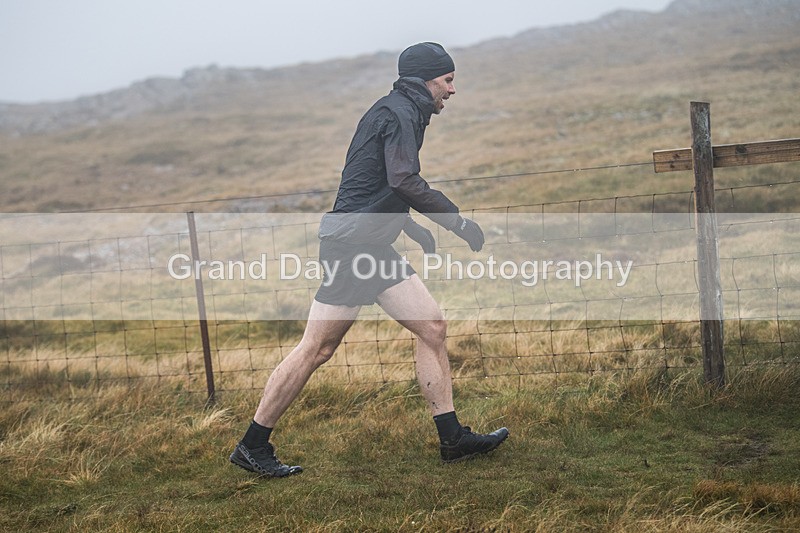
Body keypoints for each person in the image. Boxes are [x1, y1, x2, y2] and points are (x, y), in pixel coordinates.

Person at [230, 42, 508, 477]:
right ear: (426, 80)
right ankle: (252, 445)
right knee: (317, 348)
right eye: (448, 80)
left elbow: (374, 183)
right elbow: (402, 178)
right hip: (350, 247)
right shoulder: (398, 113)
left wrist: (411, 228)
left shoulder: (401, 110)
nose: (453, 90)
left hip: (370, 246)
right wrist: (455, 222)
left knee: (431, 326)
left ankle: (452, 439)